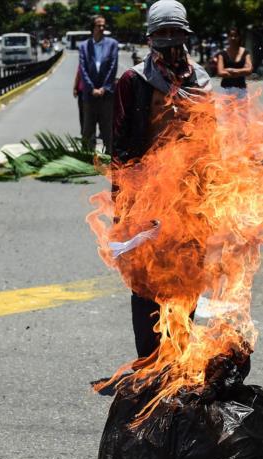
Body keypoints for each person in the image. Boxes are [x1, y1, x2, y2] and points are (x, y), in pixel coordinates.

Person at [112, 0, 212, 359]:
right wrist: (123, 209)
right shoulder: (133, 81)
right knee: (147, 284)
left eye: (175, 33)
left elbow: (211, 142)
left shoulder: (200, 80)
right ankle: (150, 361)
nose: (169, 41)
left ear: (186, 36)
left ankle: (180, 356)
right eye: (162, 34)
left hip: (191, 199)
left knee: (188, 279)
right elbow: (121, 149)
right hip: (148, 201)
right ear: (150, 38)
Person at [79, 15, 119, 153]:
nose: (101, 28)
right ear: (92, 27)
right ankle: (87, 157)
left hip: (106, 95)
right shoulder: (84, 46)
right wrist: (91, 88)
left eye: (103, 26)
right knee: (88, 128)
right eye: (98, 25)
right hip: (89, 95)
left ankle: (109, 156)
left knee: (107, 127)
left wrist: (104, 88)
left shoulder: (112, 44)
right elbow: (83, 69)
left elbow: (113, 67)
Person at [215, 27, 253, 100]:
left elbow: (249, 70)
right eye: (231, 36)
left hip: (241, 90)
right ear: (228, 37)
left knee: (242, 111)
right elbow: (220, 72)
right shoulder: (222, 54)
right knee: (226, 111)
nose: (233, 38)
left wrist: (231, 70)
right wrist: (241, 72)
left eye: (235, 36)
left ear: (239, 37)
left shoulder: (245, 52)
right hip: (226, 90)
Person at [73, 65, 85, 136]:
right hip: (82, 92)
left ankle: (86, 133)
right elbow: (78, 74)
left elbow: (78, 74)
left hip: (87, 92)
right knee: (82, 114)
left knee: (84, 114)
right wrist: (75, 88)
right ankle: (84, 132)